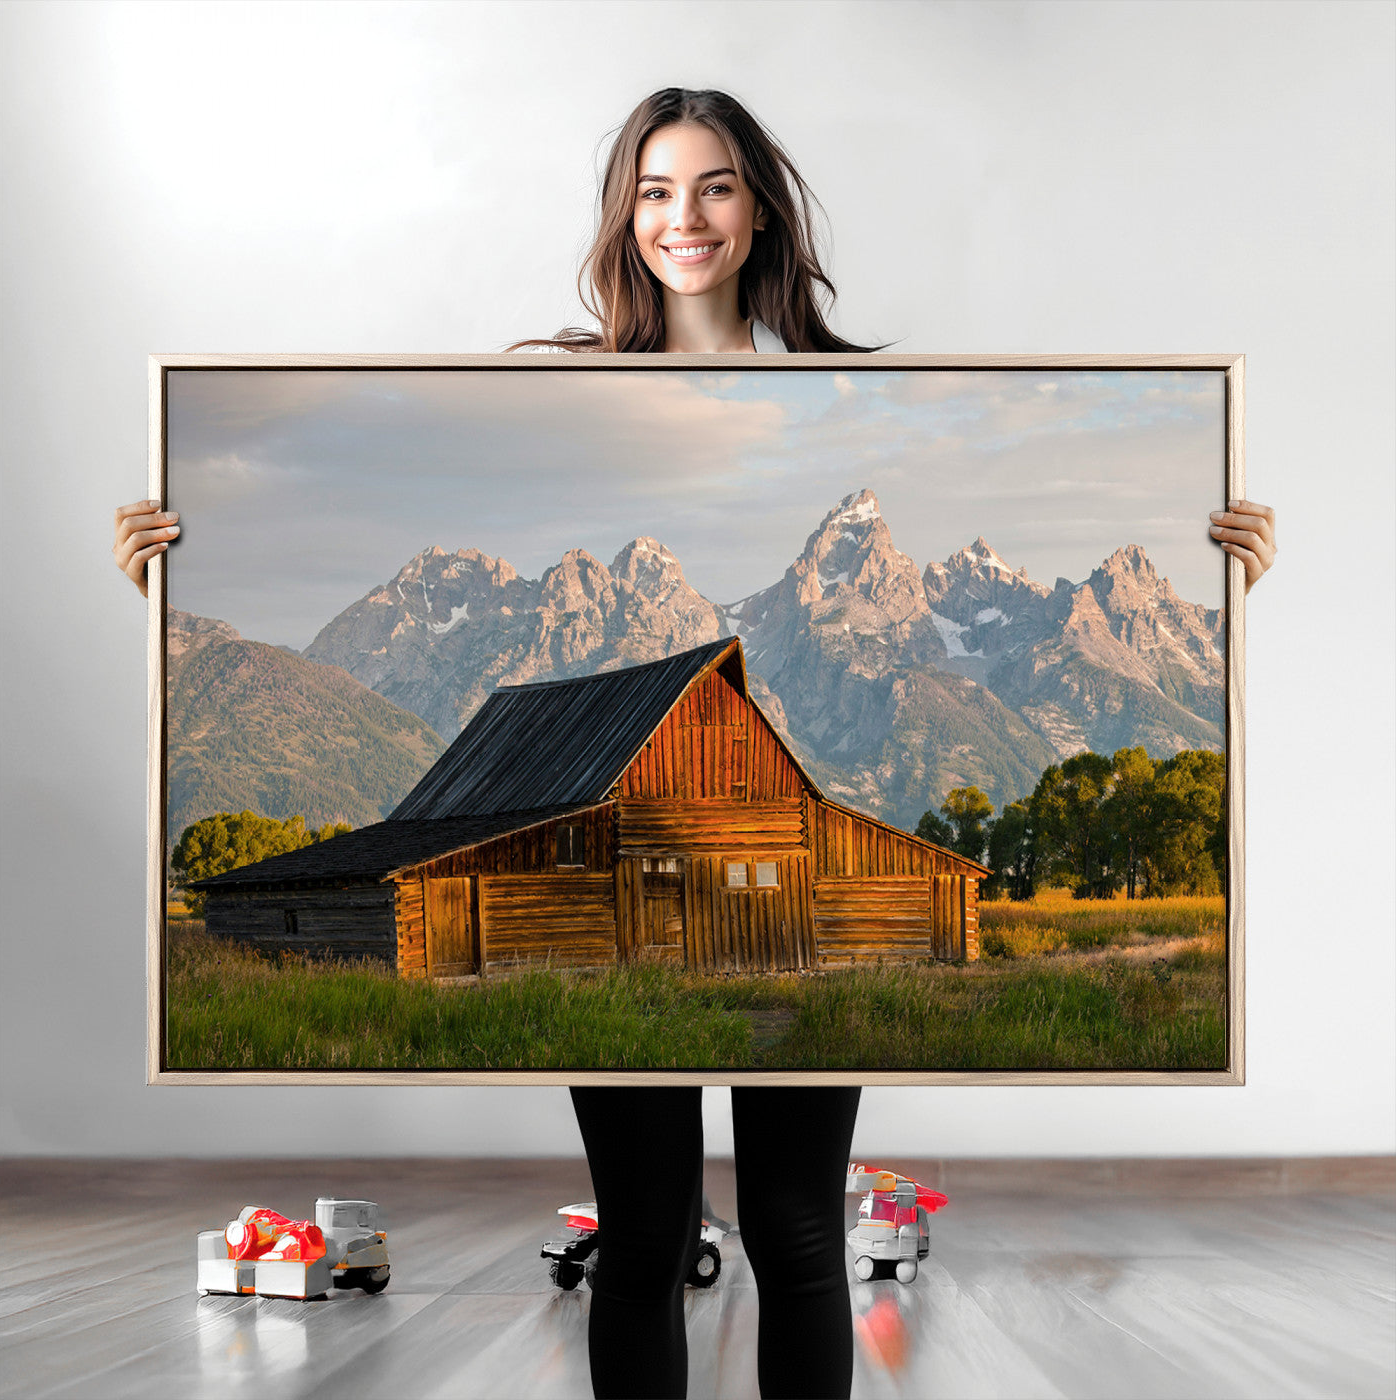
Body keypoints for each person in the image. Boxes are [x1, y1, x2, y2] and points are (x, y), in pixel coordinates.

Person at [113, 87, 1277, 1399]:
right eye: (657, 190)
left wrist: (1231, 582)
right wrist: (159, 554)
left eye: (714, 185)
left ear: (758, 206)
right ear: (627, 215)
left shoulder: (844, 387)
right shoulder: (551, 395)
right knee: (645, 1239)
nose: (686, 217)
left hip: (751, 933)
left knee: (796, 1232)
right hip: (574, 844)